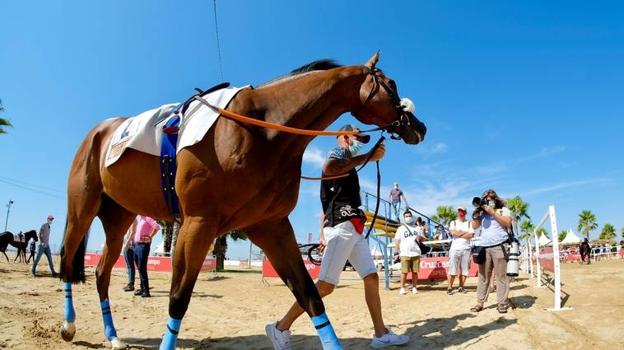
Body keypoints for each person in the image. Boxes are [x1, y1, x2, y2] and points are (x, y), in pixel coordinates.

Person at [265, 124, 409, 349]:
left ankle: (380, 333)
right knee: (325, 286)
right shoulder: (337, 154)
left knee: (371, 277)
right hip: (342, 226)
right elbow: (329, 166)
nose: (360, 141)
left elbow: (325, 204)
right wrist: (369, 157)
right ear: (342, 137)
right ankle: (280, 327)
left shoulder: (348, 163)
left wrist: (322, 230)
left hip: (352, 226)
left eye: (362, 139)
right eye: (356, 136)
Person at [470, 189, 513, 314]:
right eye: (485, 198)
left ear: (495, 199)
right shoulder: (482, 212)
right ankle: (480, 303)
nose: (487, 200)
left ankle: (502, 303)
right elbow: (474, 226)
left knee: (501, 277)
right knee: (483, 277)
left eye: (490, 198)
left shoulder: (503, 209)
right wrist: (476, 215)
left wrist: (493, 212)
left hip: (500, 245)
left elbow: (507, 222)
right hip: (484, 246)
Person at [395, 211, 426, 295]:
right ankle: (402, 288)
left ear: (412, 217)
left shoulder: (417, 228)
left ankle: (414, 287)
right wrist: (396, 253)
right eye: (406, 216)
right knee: (404, 272)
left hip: (415, 252)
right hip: (405, 253)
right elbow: (397, 241)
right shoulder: (401, 228)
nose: (408, 217)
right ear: (404, 217)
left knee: (415, 272)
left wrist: (420, 237)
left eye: (409, 216)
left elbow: (423, 239)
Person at [446, 207, 475, 295]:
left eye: (462, 211)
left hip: (466, 248)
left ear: (465, 212)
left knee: (465, 269)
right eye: (459, 211)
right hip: (454, 248)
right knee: (452, 269)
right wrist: (464, 233)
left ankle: (461, 287)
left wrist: (459, 233)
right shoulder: (453, 222)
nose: (460, 213)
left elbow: (471, 235)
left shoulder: (469, 223)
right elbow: (454, 233)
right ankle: (450, 287)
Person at [133, 215, 160, 297]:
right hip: (137, 245)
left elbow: (157, 227)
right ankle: (142, 289)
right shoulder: (141, 219)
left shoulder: (148, 217)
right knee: (140, 268)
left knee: (142, 268)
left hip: (143, 245)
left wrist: (150, 237)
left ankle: (146, 291)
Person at [122, 218, 138, 292]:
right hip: (127, 245)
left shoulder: (133, 220)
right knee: (129, 266)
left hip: (130, 246)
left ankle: (131, 284)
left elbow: (132, 232)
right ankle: (130, 283)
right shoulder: (129, 220)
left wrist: (127, 244)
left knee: (131, 266)